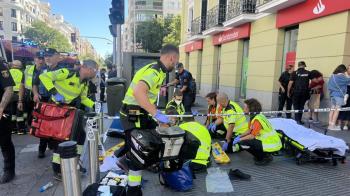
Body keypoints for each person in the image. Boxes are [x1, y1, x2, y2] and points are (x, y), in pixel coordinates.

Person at [120, 44, 179, 196]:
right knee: (138, 153)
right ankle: (133, 190)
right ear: (171, 57)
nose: (176, 64)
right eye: (176, 61)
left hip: (140, 114)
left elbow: (148, 98)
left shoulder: (158, 71)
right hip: (133, 115)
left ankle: (125, 157)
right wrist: (158, 115)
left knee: (152, 141)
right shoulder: (154, 71)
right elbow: (139, 93)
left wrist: (159, 118)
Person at [39, 59, 97, 180]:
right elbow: (44, 77)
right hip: (58, 110)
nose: (96, 73)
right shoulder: (66, 72)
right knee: (61, 140)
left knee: (80, 136)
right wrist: (54, 93)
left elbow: (84, 98)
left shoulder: (85, 82)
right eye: (95, 70)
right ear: (87, 68)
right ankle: (57, 169)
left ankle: (75, 161)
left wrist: (95, 105)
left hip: (71, 112)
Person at [226, 98, 282, 166]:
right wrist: (239, 136)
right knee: (244, 140)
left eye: (245, 108)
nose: (243, 110)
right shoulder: (255, 116)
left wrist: (240, 139)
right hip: (266, 141)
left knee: (244, 143)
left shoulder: (257, 120)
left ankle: (265, 157)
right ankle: (261, 155)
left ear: (251, 109)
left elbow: (252, 136)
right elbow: (249, 130)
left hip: (270, 143)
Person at [32, 50, 62, 158]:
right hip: (44, 101)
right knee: (43, 126)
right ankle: (42, 149)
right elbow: (34, 84)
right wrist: (35, 94)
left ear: (57, 57)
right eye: (46, 56)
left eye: (50, 56)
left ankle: (55, 150)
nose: (47, 58)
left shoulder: (63, 70)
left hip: (57, 103)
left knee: (56, 127)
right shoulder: (41, 70)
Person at [165, 108, 211, 173]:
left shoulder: (181, 127)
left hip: (190, 163)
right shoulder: (204, 128)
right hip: (205, 163)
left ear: (183, 120)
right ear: (194, 119)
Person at [0, 60, 15, 183]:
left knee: (4, 142)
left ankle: (9, 170)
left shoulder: (1, 65)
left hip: (1, 111)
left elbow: (9, 88)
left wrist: (1, 107)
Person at [327, 64, 350, 131]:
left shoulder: (332, 76)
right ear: (343, 70)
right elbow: (348, 80)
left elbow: (329, 86)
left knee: (332, 110)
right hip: (339, 96)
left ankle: (330, 124)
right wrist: (346, 74)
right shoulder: (342, 76)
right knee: (337, 111)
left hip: (332, 95)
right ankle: (333, 125)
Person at [9, 60, 25, 135]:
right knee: (20, 112)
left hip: (9, 94)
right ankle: (21, 129)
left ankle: (13, 129)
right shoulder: (22, 73)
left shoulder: (8, 72)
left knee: (12, 112)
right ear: (20, 66)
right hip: (19, 94)